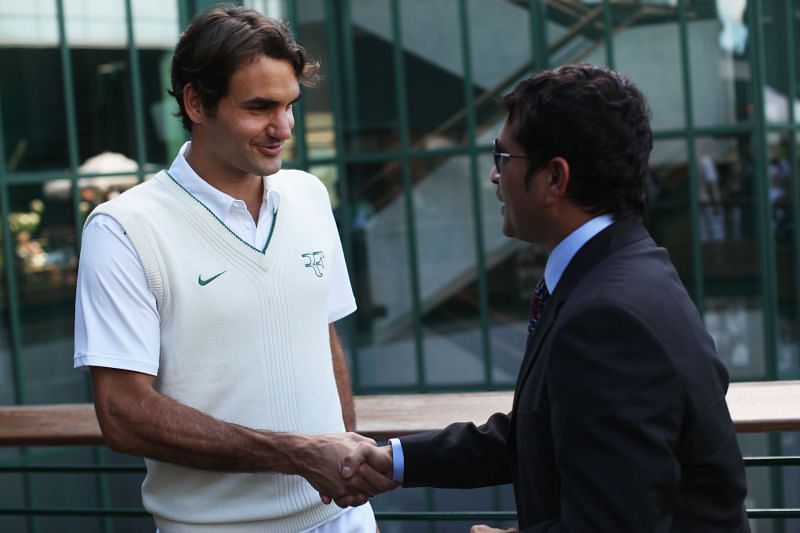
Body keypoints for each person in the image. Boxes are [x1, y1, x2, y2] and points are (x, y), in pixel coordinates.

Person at [340, 64, 751, 532]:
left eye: (503, 156)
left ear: (555, 179)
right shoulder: (630, 269)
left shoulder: (606, 317)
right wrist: (392, 460)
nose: (495, 176)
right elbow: (543, 431)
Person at [74, 5, 391, 531]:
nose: (283, 127)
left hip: (345, 519)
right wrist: (296, 453)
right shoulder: (123, 228)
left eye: (290, 104)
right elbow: (123, 414)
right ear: (196, 103)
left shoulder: (309, 195)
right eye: (260, 107)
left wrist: (347, 462)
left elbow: (321, 337)